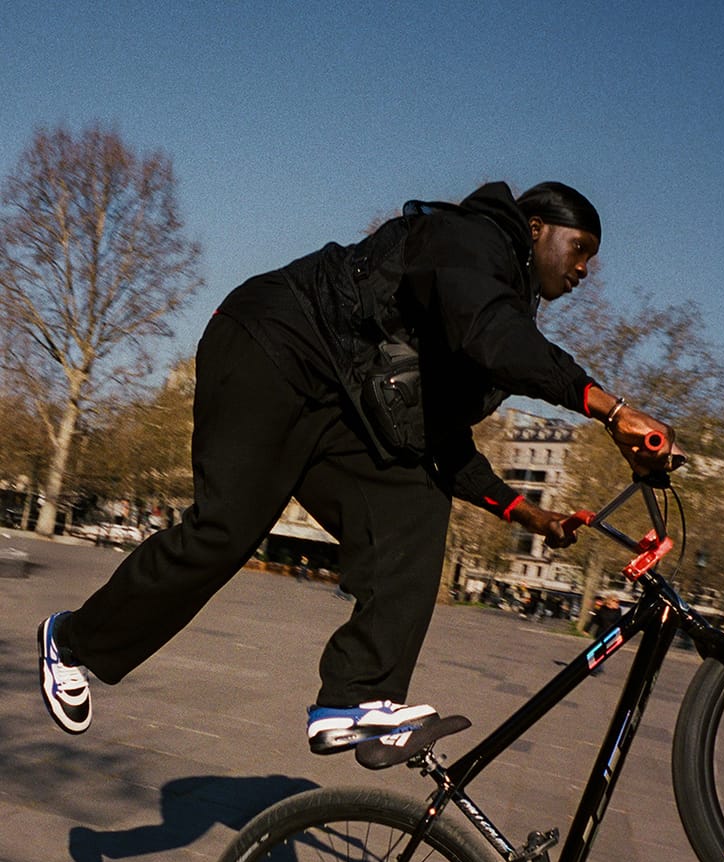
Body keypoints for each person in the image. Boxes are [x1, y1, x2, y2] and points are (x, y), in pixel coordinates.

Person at [37, 180, 678, 754]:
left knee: (416, 498)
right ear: (536, 228)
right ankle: (70, 641)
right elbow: (493, 329)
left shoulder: (492, 312)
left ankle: (353, 695)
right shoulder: (469, 238)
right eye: (580, 248)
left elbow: (437, 438)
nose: (585, 269)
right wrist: (609, 407)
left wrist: (524, 510)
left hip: (339, 405)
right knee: (225, 530)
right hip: (271, 343)